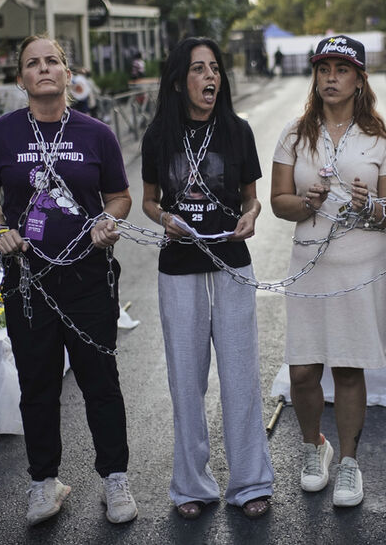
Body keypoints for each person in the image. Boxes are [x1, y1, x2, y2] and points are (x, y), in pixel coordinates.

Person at [0, 34, 137, 526]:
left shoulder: (96, 133)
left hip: (88, 277)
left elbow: (120, 196)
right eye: (32, 63)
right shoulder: (0, 134)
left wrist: (108, 220)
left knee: (100, 382)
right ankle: (44, 481)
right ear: (21, 78)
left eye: (52, 61)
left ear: (68, 73)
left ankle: (115, 478)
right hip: (28, 283)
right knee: (37, 385)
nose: (43, 69)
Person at [140, 36, 274, 520]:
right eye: (198, 69)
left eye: (214, 68)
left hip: (232, 263)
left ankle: (250, 482)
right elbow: (149, 200)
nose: (210, 76)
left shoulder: (238, 131)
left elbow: (251, 197)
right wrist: (163, 218)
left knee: (240, 375)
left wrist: (252, 215)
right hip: (179, 267)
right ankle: (190, 487)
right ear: (179, 82)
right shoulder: (159, 135)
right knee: (185, 378)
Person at [270, 34, 386, 507]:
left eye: (341, 69)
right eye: (323, 69)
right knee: (303, 370)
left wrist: (371, 206)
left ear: (359, 80)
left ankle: (349, 462)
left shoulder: (381, 139)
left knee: (348, 368)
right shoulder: (294, 134)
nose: (330, 78)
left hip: (361, 267)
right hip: (310, 266)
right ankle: (314, 448)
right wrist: (305, 202)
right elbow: (279, 202)